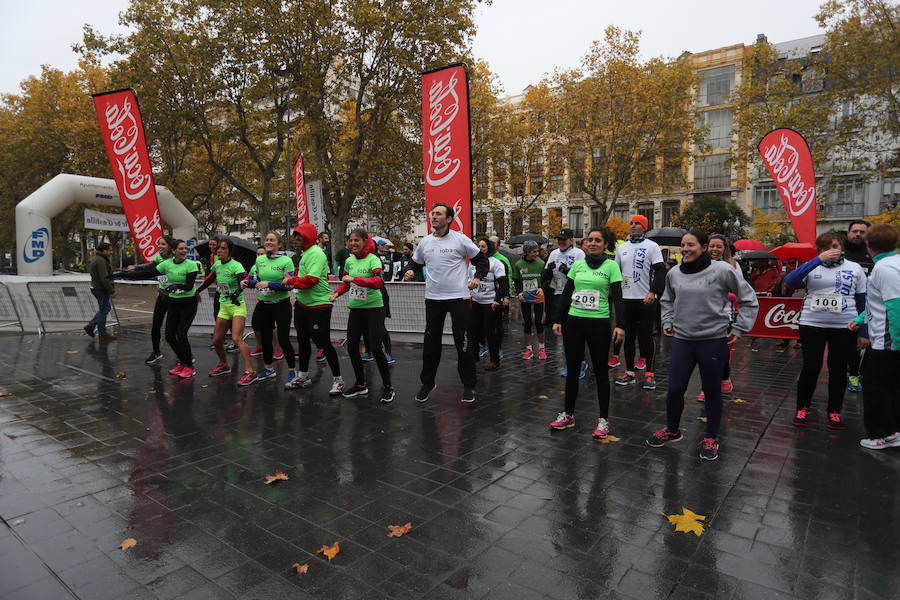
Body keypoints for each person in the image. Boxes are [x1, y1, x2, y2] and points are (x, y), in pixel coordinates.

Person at [646, 229, 758, 461]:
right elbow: (667, 299)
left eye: (691, 245)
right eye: (683, 245)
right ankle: (672, 429)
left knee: (711, 392)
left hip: (712, 341)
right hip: (683, 340)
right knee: (675, 389)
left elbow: (749, 299)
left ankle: (711, 437)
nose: (685, 249)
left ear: (704, 247)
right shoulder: (674, 273)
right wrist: (667, 320)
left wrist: (739, 328)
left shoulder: (723, 270)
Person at [402, 203, 488, 403]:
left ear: (449, 219)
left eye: (438, 214)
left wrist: (478, 278)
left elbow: (482, 261)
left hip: (458, 297)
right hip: (433, 299)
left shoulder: (460, 240)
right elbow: (414, 262)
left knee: (463, 342)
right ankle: (427, 382)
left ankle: (468, 386)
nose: (433, 217)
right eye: (432, 214)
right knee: (431, 343)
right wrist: (409, 269)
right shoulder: (425, 242)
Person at [549, 227, 625, 439]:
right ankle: (568, 414)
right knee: (572, 370)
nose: (592, 243)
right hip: (574, 321)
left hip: (599, 323)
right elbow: (566, 293)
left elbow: (618, 297)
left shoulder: (611, 266)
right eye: (589, 240)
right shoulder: (579, 264)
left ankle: (603, 419)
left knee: (601, 372)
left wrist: (620, 325)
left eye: (597, 240)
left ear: (605, 244)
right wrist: (557, 319)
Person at [784, 232, 866, 429]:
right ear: (820, 250)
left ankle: (834, 410)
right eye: (826, 247)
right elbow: (790, 281)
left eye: (835, 246)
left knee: (838, 369)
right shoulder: (812, 265)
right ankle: (802, 407)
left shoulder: (855, 268)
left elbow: (864, 300)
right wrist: (817, 260)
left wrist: (864, 331)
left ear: (842, 248)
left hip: (845, 325)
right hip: (813, 323)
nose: (832, 250)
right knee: (811, 367)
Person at [849, 224, 900, 449]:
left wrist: (896, 343)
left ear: (869, 245)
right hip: (887, 339)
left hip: (887, 341)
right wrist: (861, 319)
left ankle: (882, 434)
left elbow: (895, 306)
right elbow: (877, 301)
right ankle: (893, 431)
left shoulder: (884, 268)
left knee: (873, 386)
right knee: (891, 387)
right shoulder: (892, 264)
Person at [330, 229, 395, 402]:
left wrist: (355, 280)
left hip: (374, 308)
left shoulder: (373, 259)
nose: (353, 244)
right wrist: (337, 293)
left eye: (356, 240)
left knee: (375, 347)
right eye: (350, 240)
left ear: (365, 241)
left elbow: (377, 282)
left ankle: (388, 386)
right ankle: (361, 384)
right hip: (356, 308)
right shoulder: (349, 261)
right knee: (352, 348)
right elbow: (345, 282)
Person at [284, 223, 344, 395]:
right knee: (302, 341)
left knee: (323, 342)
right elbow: (304, 278)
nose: (295, 239)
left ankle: (338, 380)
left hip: (319, 304)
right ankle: (303, 376)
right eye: (294, 236)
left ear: (308, 236)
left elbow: (311, 280)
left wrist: (290, 281)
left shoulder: (317, 253)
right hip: (303, 304)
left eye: (298, 236)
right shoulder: (305, 254)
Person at [613, 215, 666, 389]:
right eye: (631, 223)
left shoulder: (652, 246)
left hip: (645, 299)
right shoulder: (622, 248)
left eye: (637, 223)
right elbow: (616, 272)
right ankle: (629, 372)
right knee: (628, 337)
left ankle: (650, 374)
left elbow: (660, 271)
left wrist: (653, 292)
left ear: (644, 227)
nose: (633, 226)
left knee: (645, 337)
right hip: (627, 299)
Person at [196, 238, 256, 385]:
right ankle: (224, 365)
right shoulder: (217, 265)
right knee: (216, 341)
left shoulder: (236, 265)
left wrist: (235, 294)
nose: (219, 251)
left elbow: (243, 283)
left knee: (236, 338)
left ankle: (250, 371)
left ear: (229, 251)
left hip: (237, 306)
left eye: (223, 248)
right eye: (218, 249)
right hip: (224, 307)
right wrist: (196, 291)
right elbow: (210, 280)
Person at [243, 233, 298, 386]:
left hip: (281, 304)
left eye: (272, 240)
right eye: (266, 239)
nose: (268, 242)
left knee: (283, 338)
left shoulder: (286, 260)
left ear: (279, 244)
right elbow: (258, 281)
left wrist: (269, 284)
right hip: (264, 304)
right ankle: (268, 368)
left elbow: (289, 285)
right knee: (265, 337)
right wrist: (247, 282)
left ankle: (293, 371)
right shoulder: (260, 260)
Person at [698, 234, 743, 397]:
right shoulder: (700, 264)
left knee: (718, 351)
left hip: (724, 315)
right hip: (703, 314)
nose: (715, 250)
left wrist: (729, 295)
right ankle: (711, 385)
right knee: (705, 353)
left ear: (725, 249)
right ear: (706, 247)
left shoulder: (732, 265)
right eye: (712, 246)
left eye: (718, 247)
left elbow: (741, 290)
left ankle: (719, 381)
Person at [153, 240, 201, 378]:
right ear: (173, 251)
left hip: (188, 303)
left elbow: (189, 286)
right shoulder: (167, 264)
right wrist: (120, 275)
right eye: (181, 248)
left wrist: (175, 286)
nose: (184, 251)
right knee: (169, 335)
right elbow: (147, 272)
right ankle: (183, 361)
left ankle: (189, 367)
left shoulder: (191, 265)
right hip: (174, 302)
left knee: (181, 333)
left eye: (185, 248)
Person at [544, 228, 587, 378]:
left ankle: (580, 362)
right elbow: (545, 275)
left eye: (564, 239)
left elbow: (582, 274)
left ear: (571, 240)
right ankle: (569, 363)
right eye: (559, 239)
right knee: (564, 332)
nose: (561, 242)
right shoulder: (554, 254)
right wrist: (548, 271)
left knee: (575, 331)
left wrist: (567, 270)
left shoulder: (579, 254)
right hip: (558, 294)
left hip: (575, 295)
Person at [127, 235, 176, 363]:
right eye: (158, 243)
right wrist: (136, 267)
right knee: (155, 325)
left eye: (163, 244)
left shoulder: (176, 258)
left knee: (173, 330)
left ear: (170, 247)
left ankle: (184, 355)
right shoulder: (159, 257)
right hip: (162, 295)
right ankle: (156, 352)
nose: (159, 246)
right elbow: (150, 266)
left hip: (175, 297)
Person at [469, 238, 509, 371]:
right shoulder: (472, 263)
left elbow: (503, 283)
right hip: (476, 301)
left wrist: (498, 300)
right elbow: (469, 280)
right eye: (478, 246)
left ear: (489, 248)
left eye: (483, 246)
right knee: (473, 330)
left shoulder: (496, 263)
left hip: (490, 302)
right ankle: (474, 357)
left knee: (490, 332)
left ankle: (494, 360)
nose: (480, 249)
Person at [844, 220, 872, 393]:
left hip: (868, 307)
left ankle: (857, 375)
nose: (858, 234)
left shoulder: (873, 255)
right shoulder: (840, 254)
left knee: (865, 345)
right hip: (843, 308)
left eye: (862, 232)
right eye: (855, 231)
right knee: (844, 347)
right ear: (848, 233)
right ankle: (847, 375)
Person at [514, 240, 547, 360]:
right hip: (525, 297)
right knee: (527, 323)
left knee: (539, 322)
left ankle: (542, 349)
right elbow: (517, 280)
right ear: (527, 251)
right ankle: (529, 350)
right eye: (534, 251)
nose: (537, 253)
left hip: (538, 296)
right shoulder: (519, 264)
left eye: (537, 251)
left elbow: (545, 279)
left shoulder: (541, 263)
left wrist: (542, 288)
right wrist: (519, 293)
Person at [85, 242, 117, 341]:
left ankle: (92, 326)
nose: (111, 252)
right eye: (110, 250)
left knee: (105, 308)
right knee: (104, 310)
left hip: (97, 287)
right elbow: (104, 278)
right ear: (104, 250)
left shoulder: (97, 259)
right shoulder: (101, 261)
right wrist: (111, 290)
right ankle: (101, 333)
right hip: (100, 289)